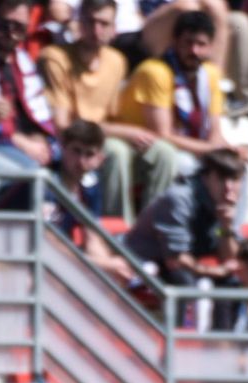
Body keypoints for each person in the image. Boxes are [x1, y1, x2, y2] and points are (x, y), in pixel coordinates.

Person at [39, 0, 179, 223]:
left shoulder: (117, 61)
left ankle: (152, 228)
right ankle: (117, 231)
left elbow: (114, 115)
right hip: (78, 141)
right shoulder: (56, 58)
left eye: (104, 23)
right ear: (79, 23)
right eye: (90, 22)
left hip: (106, 135)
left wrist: (128, 133)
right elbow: (64, 125)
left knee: (164, 153)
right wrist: (124, 132)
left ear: (114, 29)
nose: (96, 30)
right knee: (115, 151)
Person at [113, 10, 238, 178]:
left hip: (189, 148)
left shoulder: (210, 74)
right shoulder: (155, 72)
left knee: (238, 166)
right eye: (188, 43)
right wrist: (212, 150)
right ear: (175, 41)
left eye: (201, 44)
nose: (194, 50)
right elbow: (163, 135)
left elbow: (214, 132)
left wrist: (231, 153)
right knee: (185, 164)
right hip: (140, 151)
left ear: (210, 47)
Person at [121, 146, 242, 286]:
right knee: (186, 281)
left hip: (185, 265)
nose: (229, 188)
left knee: (233, 283)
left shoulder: (228, 202)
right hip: (144, 264)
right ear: (206, 177)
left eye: (234, 179)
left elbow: (231, 260)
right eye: (221, 179)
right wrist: (215, 271)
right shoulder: (179, 198)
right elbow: (176, 260)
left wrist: (225, 226)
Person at [0, 0, 58, 169]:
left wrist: (39, 138)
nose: (11, 33)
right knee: (31, 172)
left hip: (25, 147)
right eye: (4, 25)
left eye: (18, 27)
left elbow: (38, 115)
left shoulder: (24, 61)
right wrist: (17, 139)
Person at [51, 120, 139, 284]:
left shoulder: (90, 184)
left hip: (57, 260)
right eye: (76, 151)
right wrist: (105, 264)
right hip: (14, 258)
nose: (81, 160)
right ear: (62, 148)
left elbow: (92, 238)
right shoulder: (46, 184)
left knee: (116, 276)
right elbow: (46, 248)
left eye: (89, 154)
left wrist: (113, 269)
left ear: (100, 158)